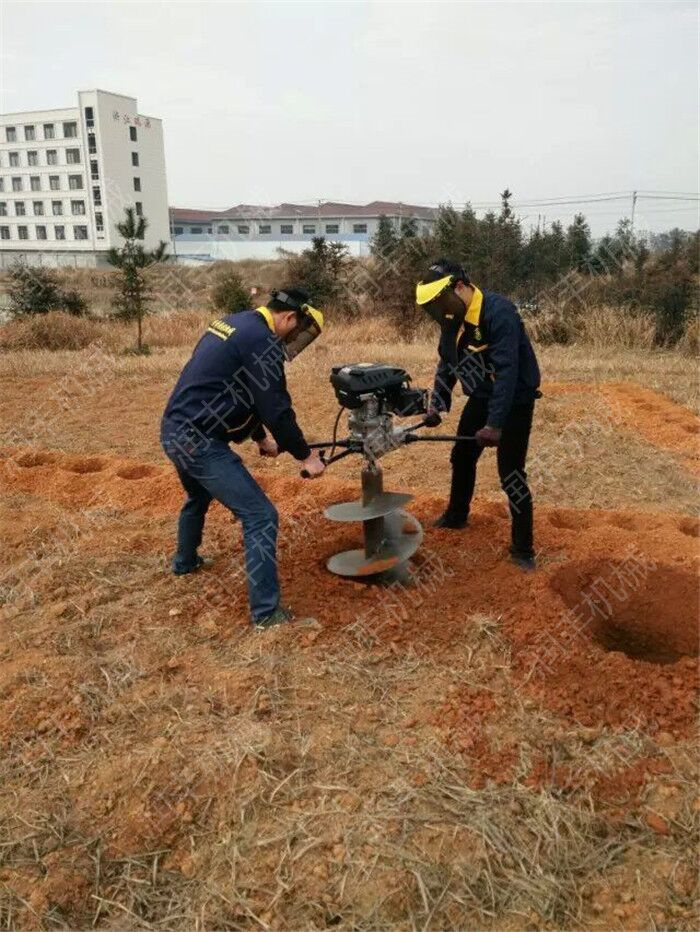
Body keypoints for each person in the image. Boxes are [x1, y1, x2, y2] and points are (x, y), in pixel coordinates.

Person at [160, 287, 326, 628]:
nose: (296, 338)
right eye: (299, 331)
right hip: (199, 440)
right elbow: (276, 407)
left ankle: (185, 562)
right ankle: (266, 614)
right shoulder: (263, 342)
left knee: (197, 496)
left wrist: (260, 437)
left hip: (174, 429)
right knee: (261, 517)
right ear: (289, 318)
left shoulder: (233, 323)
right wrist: (306, 456)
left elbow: (232, 388)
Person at [415, 259, 541, 571]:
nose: (438, 310)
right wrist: (438, 404)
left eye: (439, 301)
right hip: (484, 394)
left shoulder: (498, 313)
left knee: (510, 473)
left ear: (459, 287)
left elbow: (507, 371)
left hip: (514, 399)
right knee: (462, 455)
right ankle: (457, 516)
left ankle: (523, 550)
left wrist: (495, 424)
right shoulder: (453, 316)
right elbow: (447, 360)